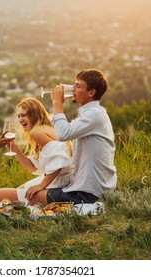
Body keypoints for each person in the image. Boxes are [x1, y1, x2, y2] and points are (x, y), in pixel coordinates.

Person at [25, 69, 117, 206]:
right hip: (92, 189)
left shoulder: (94, 115)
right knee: (31, 191)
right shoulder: (92, 114)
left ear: (91, 92)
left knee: (30, 198)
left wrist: (57, 103)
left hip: (89, 194)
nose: (73, 89)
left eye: (78, 86)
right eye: (74, 84)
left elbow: (63, 134)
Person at [0, 97, 74, 205]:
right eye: (19, 116)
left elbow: (58, 161)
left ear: (34, 114)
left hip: (59, 183)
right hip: (57, 179)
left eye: (24, 115)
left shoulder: (36, 132)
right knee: (17, 190)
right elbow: (34, 169)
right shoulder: (46, 129)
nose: (20, 120)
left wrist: (41, 186)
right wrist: (15, 149)